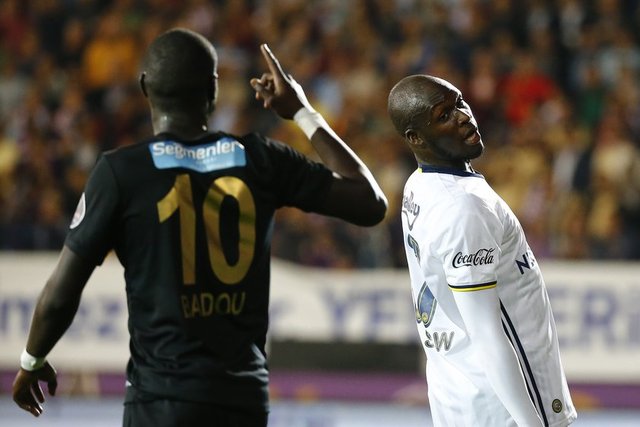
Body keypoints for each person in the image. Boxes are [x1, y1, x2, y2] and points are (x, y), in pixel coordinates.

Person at [12, 28, 387, 426]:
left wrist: (32, 360)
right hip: (241, 401)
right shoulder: (261, 160)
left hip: (159, 402)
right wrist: (301, 112)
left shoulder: (122, 172)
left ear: (145, 87)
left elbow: (61, 293)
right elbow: (370, 202)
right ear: (213, 89)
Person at [387, 74, 576, 427]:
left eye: (459, 102)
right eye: (444, 115)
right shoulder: (465, 208)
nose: (463, 116)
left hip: (459, 393)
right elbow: (488, 335)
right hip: (505, 407)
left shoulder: (418, 185)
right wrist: (531, 422)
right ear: (415, 138)